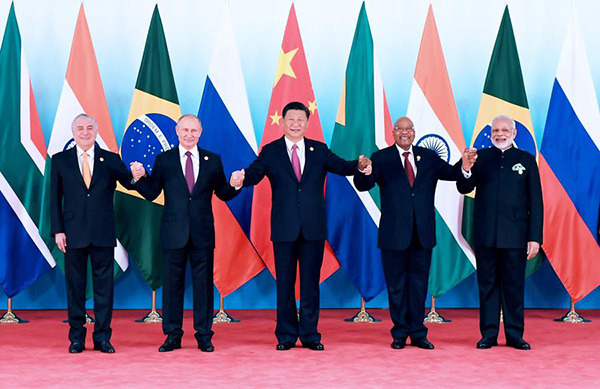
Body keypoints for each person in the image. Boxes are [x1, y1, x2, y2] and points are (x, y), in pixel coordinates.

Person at [230, 101, 369, 351]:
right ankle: (285, 335)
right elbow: (254, 174)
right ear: (282, 122)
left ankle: (310, 335)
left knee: (310, 284)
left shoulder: (319, 149)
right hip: (283, 229)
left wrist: (359, 165)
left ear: (307, 122)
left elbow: (343, 166)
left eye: (300, 120)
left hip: (313, 228)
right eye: (290, 119)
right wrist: (240, 178)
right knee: (284, 284)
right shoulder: (271, 151)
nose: (295, 124)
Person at [354, 116, 475, 350]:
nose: (405, 132)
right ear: (393, 132)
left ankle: (418, 333)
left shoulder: (429, 157)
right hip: (393, 235)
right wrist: (362, 171)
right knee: (397, 286)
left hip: (423, 233)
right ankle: (399, 332)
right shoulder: (381, 157)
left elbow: (455, 176)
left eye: (409, 129)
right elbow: (363, 185)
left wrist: (465, 166)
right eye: (400, 129)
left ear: (414, 132)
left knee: (419, 285)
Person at [134, 114, 239, 353]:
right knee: (172, 286)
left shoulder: (213, 160)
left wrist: (234, 184)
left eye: (194, 130)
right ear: (177, 131)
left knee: (203, 287)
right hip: (173, 233)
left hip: (202, 233)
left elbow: (223, 192)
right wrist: (140, 179)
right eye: (185, 130)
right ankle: (173, 335)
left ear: (200, 132)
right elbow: (152, 192)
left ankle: (204, 335)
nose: (189, 135)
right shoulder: (164, 159)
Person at [51, 113, 142, 354]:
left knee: (104, 289)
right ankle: (76, 339)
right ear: (73, 132)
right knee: (75, 288)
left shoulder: (110, 159)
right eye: (80, 128)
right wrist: (58, 230)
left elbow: (128, 183)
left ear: (96, 131)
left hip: (103, 232)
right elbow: (53, 198)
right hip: (72, 234)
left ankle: (102, 338)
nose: (85, 132)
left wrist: (136, 175)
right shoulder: (59, 160)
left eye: (90, 128)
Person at [457, 114, 543, 350]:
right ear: (490, 133)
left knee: (514, 287)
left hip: (516, 237)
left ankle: (515, 335)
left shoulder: (525, 160)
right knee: (487, 286)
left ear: (514, 134)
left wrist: (535, 237)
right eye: (495, 131)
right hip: (485, 235)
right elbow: (463, 186)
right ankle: (489, 334)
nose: (500, 134)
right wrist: (465, 167)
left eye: (505, 130)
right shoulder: (479, 158)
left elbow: (536, 202)